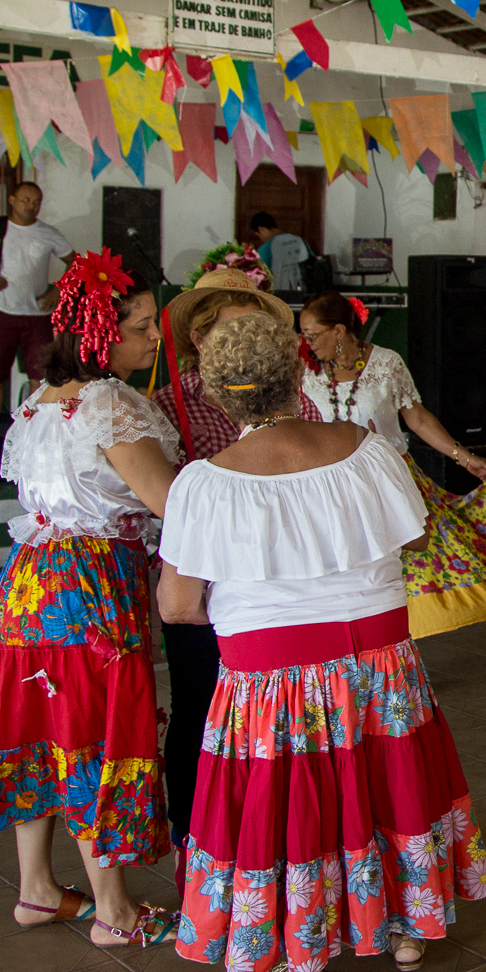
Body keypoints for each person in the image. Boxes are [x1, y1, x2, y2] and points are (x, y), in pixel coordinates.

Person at [161, 314, 486, 972]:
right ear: (297, 374)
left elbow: (179, 604)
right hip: (378, 659)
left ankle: (303, 965)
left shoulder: (203, 484)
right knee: (387, 781)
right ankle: (405, 925)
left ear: (216, 395)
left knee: (292, 807)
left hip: (271, 678)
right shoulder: (368, 451)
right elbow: (411, 536)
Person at [0, 252, 183, 950]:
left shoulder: (37, 400)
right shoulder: (110, 404)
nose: (154, 338)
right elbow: (169, 502)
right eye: (142, 326)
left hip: (29, 584)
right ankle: (114, 911)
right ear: (99, 334)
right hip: (88, 588)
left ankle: (37, 889)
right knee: (89, 735)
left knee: (42, 731)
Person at [153, 267, 320, 861]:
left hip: (283, 586)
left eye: (257, 327)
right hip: (206, 587)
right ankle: (194, 838)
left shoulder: (296, 401)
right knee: (200, 706)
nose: (250, 340)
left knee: (284, 717)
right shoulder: (167, 406)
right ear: (200, 338)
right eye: (234, 327)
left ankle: (277, 836)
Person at [298, 290, 486, 637]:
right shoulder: (306, 372)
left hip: (388, 483)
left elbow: (417, 418)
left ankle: (394, 643)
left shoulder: (386, 363)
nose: (307, 344)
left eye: (312, 335)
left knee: (398, 569)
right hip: (331, 488)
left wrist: (465, 459)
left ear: (339, 331)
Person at [0, 181, 74, 414]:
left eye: (36, 202)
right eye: (25, 200)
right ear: (12, 200)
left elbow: (75, 262)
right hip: (0, 312)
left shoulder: (48, 233)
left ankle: (33, 424)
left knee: (41, 377)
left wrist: (59, 289)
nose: (31, 206)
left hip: (38, 315)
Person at [247, 211, 312, 294]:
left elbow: (261, 277)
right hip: (306, 293)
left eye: (259, 236)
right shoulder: (301, 241)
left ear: (261, 229)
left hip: (280, 295)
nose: (261, 239)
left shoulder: (266, 248)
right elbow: (313, 263)